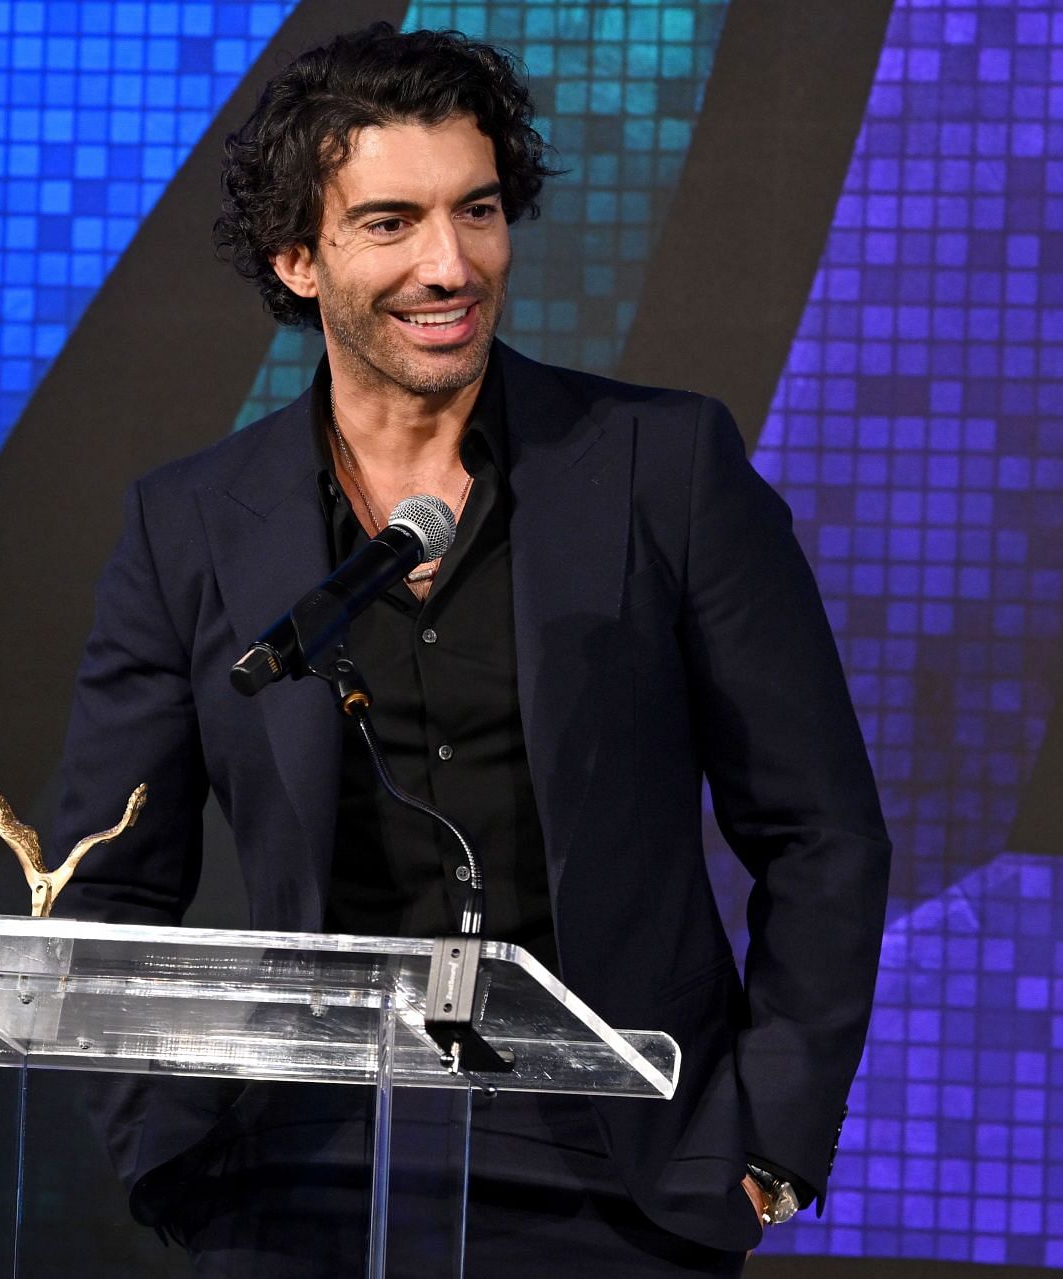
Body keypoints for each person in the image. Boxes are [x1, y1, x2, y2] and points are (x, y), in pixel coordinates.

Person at [52, 23, 891, 1277]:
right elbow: (104, 877)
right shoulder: (190, 526)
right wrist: (170, 1157)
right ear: (297, 258)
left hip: (623, 1186)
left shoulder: (665, 468)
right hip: (304, 1179)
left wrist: (764, 1146)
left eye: (478, 211)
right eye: (391, 222)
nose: (450, 264)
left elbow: (822, 830)